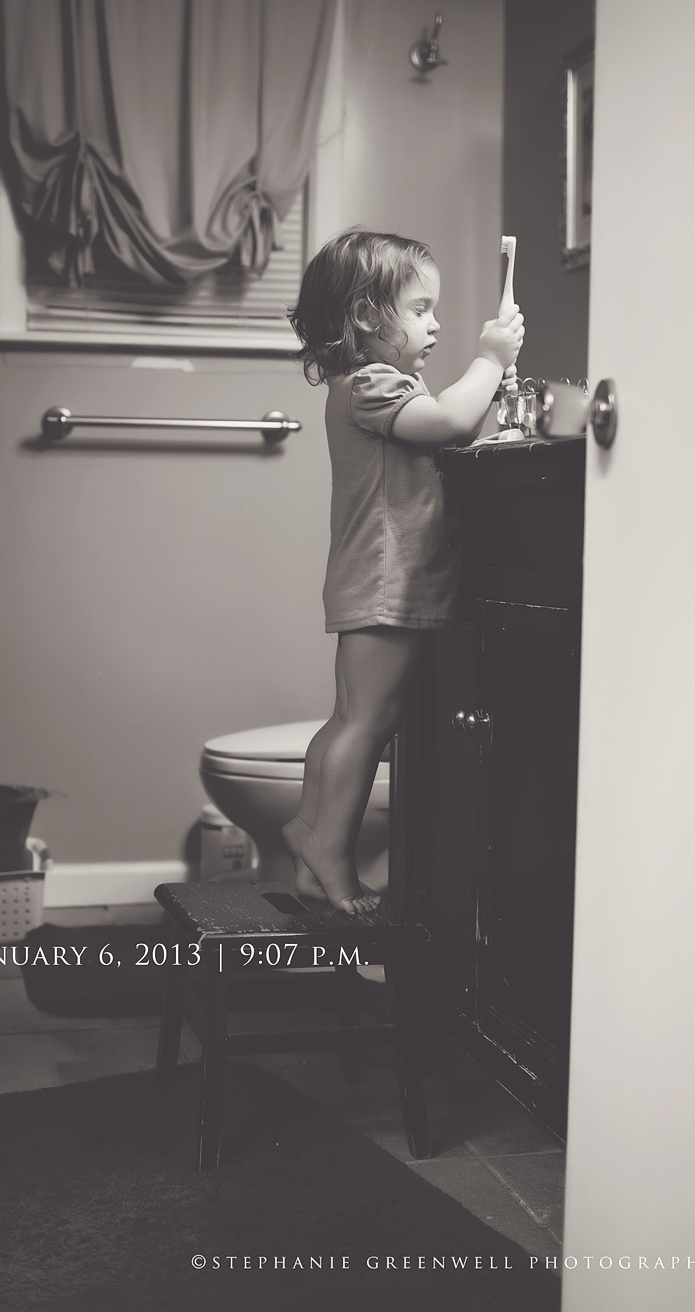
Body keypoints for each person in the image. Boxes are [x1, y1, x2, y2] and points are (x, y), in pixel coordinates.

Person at [283, 228, 524, 913]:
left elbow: (448, 428)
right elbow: (448, 422)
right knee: (371, 721)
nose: (435, 322)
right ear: (366, 316)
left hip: (373, 577)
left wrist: (488, 394)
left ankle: (308, 832)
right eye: (421, 308)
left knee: (349, 717)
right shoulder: (372, 383)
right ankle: (330, 849)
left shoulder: (380, 385)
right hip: (388, 582)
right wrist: (488, 358)